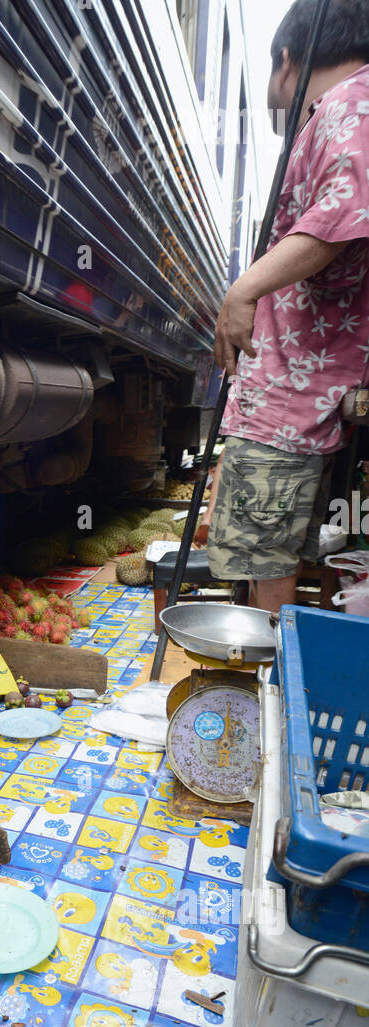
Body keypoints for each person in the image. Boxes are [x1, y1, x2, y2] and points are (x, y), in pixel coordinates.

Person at [206, 0, 369, 613]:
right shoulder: (346, 106)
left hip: (292, 398)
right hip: (302, 393)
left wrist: (243, 288)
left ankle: (264, 683)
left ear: (285, 61)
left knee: (265, 560)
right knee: (268, 556)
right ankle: (268, 672)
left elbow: (342, 212)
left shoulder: (350, 103)